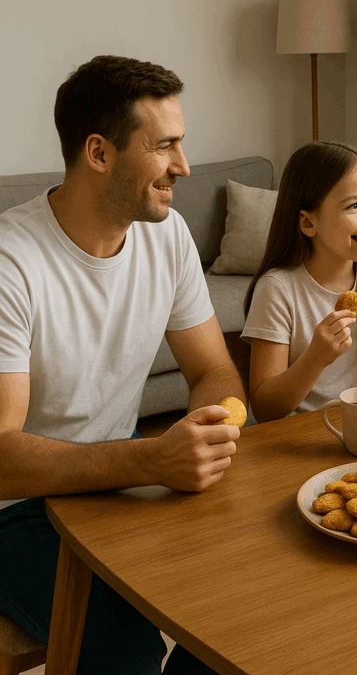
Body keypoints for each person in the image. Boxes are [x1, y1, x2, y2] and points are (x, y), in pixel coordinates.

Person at [0, 55, 247, 675]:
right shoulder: (11, 263)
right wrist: (153, 460)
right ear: (99, 153)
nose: (184, 166)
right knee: (127, 656)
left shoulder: (168, 235)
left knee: (246, 608)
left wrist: (208, 430)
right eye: (164, 146)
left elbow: (214, 372)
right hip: (18, 511)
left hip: (120, 484)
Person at [242, 140, 357, 421]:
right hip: (294, 436)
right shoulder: (277, 289)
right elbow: (265, 409)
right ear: (308, 223)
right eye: (354, 205)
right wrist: (316, 357)